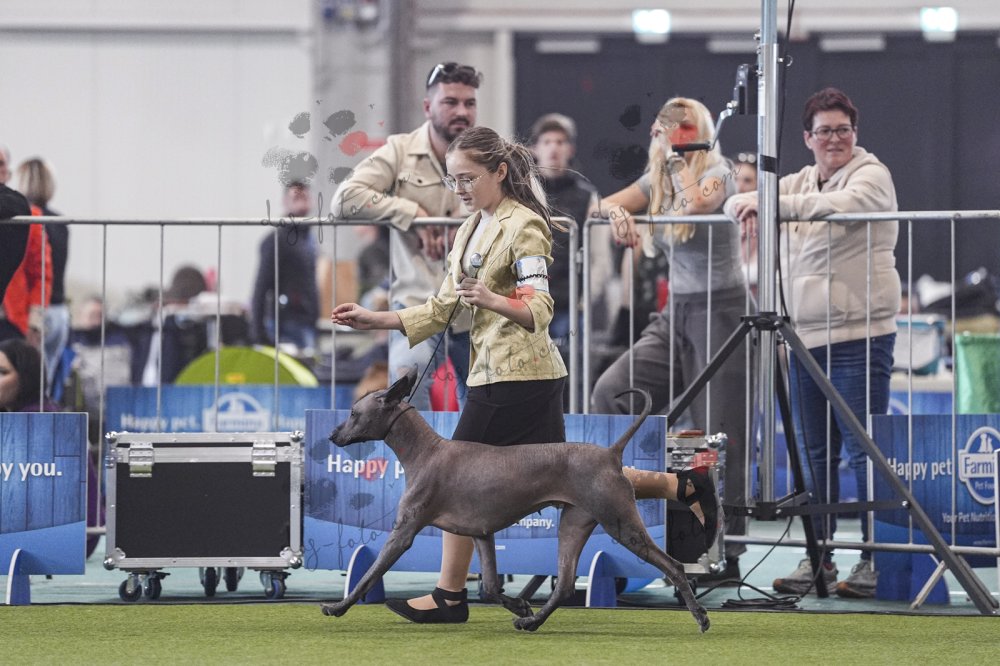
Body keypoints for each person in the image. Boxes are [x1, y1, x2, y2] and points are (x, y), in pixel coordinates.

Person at [331, 126, 717, 623]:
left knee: (451, 479)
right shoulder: (470, 228)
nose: (460, 189)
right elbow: (441, 308)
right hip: (496, 373)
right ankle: (677, 485)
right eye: (453, 180)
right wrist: (374, 318)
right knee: (575, 477)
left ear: (499, 172)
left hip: (520, 377)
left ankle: (450, 595)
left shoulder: (526, 225)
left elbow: (540, 309)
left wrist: (492, 299)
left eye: (468, 178)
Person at [725, 87, 899, 598]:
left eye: (843, 129)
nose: (834, 138)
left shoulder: (873, 175)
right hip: (802, 339)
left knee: (863, 453)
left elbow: (838, 206)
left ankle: (875, 560)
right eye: (824, 131)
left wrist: (766, 204)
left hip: (860, 335)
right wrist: (747, 203)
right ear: (807, 138)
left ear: (855, 133)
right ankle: (817, 558)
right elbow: (736, 197)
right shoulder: (797, 181)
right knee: (813, 456)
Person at [591, 97, 749, 582]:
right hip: (675, 310)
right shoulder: (654, 178)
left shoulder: (720, 172)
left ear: (701, 131)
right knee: (612, 392)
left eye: (685, 127)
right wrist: (620, 216)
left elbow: (698, 203)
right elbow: (603, 204)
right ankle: (632, 516)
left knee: (720, 429)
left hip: (721, 309)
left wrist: (676, 163)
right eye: (667, 127)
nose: (675, 135)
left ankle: (725, 548)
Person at [332, 62, 481, 412]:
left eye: (470, 103)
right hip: (416, 305)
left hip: (476, 309)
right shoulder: (399, 151)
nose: (462, 111)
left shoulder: (489, 154)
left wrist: (465, 228)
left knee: (486, 411)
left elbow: (520, 205)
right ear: (428, 106)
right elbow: (344, 200)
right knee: (403, 398)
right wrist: (411, 214)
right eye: (450, 102)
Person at [528, 113, 612, 407]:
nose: (554, 148)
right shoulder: (523, 193)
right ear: (535, 148)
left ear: (570, 149)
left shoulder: (589, 196)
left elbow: (600, 258)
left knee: (571, 379)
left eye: (560, 142)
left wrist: (585, 300)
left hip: (569, 306)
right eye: (547, 141)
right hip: (526, 302)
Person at [16, 158, 69, 389]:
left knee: (27, 387)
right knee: (44, 385)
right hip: (59, 311)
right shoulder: (60, 222)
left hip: (35, 311)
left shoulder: (23, 220)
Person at [251, 182, 320, 352]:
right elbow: (260, 288)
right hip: (284, 324)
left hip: (306, 323)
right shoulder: (276, 240)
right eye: (296, 198)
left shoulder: (309, 241)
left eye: (305, 197)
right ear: (285, 202)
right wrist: (258, 334)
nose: (301, 202)